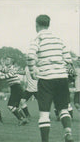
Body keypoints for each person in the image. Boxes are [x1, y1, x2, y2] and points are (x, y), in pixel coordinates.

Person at [27, 14, 74, 142]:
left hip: (46, 79)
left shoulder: (38, 38)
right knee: (63, 109)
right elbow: (68, 59)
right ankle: (68, 132)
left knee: (44, 114)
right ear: (48, 24)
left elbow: (31, 57)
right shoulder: (58, 38)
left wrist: (32, 72)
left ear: (36, 25)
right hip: (61, 78)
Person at [0, 57, 28, 126]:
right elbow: (0, 69)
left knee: (10, 106)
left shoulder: (11, 69)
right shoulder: (7, 68)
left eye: (8, 60)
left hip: (16, 88)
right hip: (16, 88)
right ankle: (24, 119)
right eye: (6, 59)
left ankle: (21, 119)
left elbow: (2, 77)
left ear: (11, 62)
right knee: (15, 107)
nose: (6, 60)